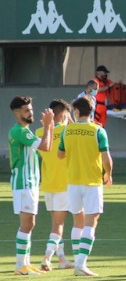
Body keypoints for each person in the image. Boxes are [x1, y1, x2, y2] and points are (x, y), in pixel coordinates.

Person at [58, 96, 113, 277]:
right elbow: (106, 158)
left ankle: (77, 261)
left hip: (73, 182)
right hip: (91, 182)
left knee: (77, 222)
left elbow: (60, 154)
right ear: (91, 111)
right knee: (91, 221)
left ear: (76, 111)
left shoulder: (67, 131)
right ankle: (81, 264)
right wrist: (108, 174)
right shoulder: (98, 131)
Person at [9, 96, 55, 275]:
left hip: (30, 183)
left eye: (31, 109)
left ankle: (25, 264)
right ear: (17, 113)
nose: (31, 113)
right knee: (27, 224)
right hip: (23, 182)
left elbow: (46, 146)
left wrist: (48, 127)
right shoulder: (20, 131)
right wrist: (49, 126)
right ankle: (20, 265)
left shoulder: (25, 131)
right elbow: (45, 146)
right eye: (27, 110)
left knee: (30, 223)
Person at [37, 100, 79, 271]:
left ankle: (61, 258)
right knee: (58, 225)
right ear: (63, 113)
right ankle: (47, 257)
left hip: (48, 182)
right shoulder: (67, 131)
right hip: (64, 183)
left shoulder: (40, 131)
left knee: (55, 222)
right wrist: (71, 122)